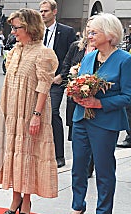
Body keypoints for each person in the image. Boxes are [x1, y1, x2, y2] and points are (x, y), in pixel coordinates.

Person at [0, 8, 59, 214]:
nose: (13, 31)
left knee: (27, 153)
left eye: (17, 27)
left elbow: (44, 86)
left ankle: (26, 199)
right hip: (12, 112)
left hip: (30, 112)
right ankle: (15, 196)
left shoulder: (43, 53)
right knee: (12, 151)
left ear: (29, 27)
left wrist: (36, 115)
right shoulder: (15, 51)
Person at [65, 13, 131, 214]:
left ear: (109, 34)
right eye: (88, 31)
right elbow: (80, 82)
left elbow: (128, 96)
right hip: (81, 118)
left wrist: (99, 103)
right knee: (79, 166)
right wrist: (75, 93)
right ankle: (77, 205)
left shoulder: (125, 60)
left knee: (103, 168)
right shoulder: (89, 57)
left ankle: (103, 213)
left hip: (105, 122)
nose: (89, 35)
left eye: (94, 31)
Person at [40, 0, 76, 168]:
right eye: (41, 11)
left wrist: (62, 75)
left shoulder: (67, 32)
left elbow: (71, 56)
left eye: (46, 11)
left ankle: (59, 155)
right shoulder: (37, 31)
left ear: (54, 12)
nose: (42, 14)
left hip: (56, 80)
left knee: (53, 113)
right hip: (38, 79)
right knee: (36, 114)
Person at [61, 17, 96, 177]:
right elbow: (67, 65)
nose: (90, 31)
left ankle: (89, 166)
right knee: (76, 131)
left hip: (94, 99)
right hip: (75, 97)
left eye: (94, 28)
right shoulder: (77, 47)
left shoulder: (102, 51)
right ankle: (80, 163)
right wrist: (69, 80)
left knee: (93, 134)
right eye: (88, 27)